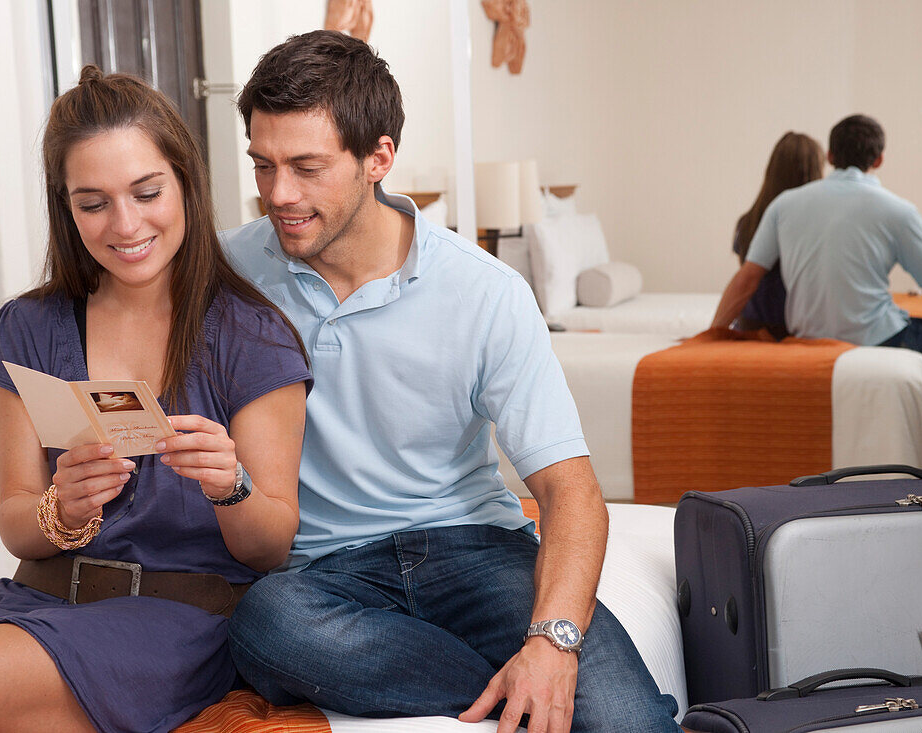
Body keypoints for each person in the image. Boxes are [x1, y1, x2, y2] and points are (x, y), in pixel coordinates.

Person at [221, 30, 681, 733]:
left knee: (627, 722)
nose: (279, 194)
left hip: (471, 547)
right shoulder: (229, 272)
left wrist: (550, 644)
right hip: (322, 572)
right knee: (264, 623)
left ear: (379, 157)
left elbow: (573, 491)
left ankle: (533, 679)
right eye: (263, 166)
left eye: (307, 167)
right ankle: (499, 689)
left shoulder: (484, 290)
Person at [0, 66, 311, 733]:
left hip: (176, 623)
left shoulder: (252, 334)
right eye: (93, 201)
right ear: (65, 206)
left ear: (185, 182)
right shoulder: (27, 326)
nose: (125, 223)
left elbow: (271, 547)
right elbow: (15, 520)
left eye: (146, 191)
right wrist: (61, 508)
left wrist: (232, 487)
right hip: (39, 599)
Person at [712, 114, 922, 356]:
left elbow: (746, 280)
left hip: (806, 337)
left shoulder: (783, 205)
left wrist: (711, 335)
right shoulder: (901, 212)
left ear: (830, 156)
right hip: (878, 339)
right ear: (879, 159)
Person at [731, 132, 825, 338]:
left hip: (750, 325)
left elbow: (747, 284)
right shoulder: (818, 226)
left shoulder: (747, 223)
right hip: (794, 330)